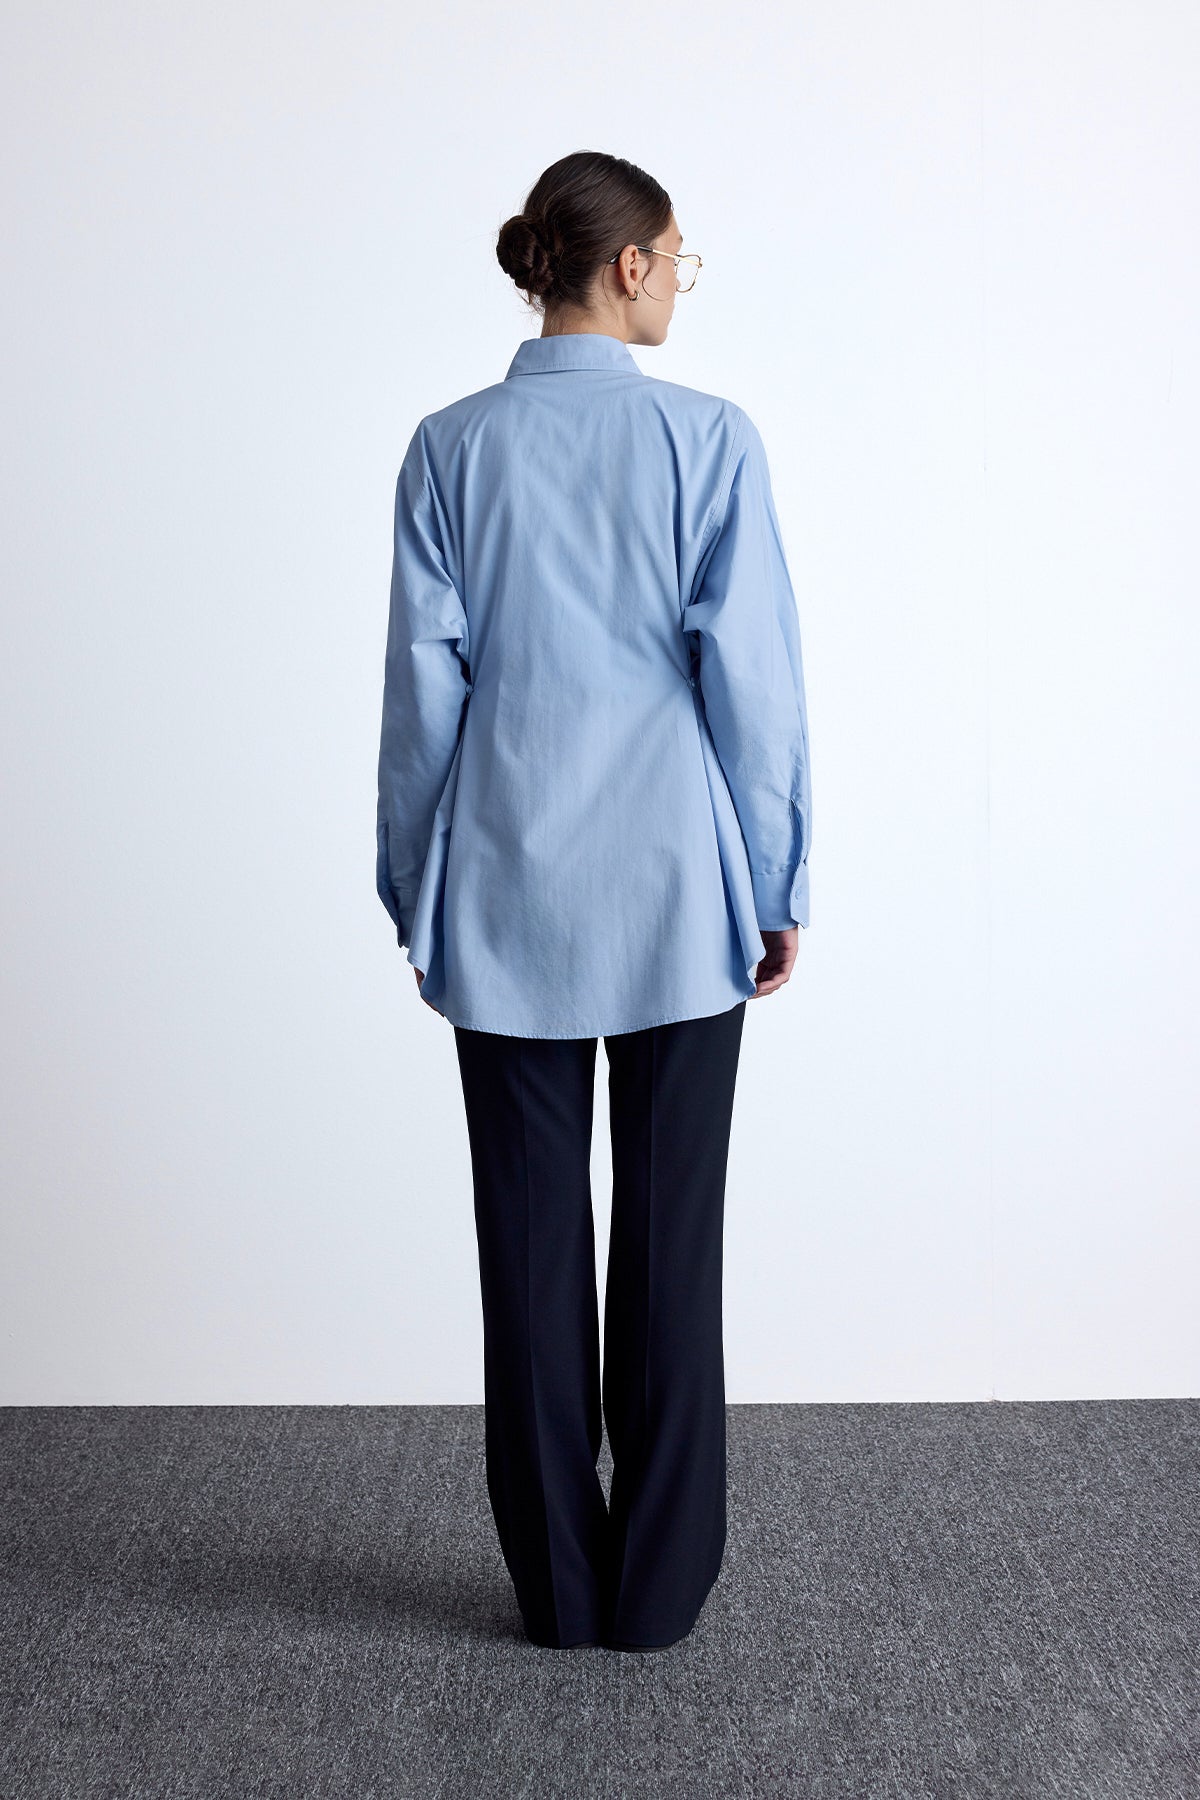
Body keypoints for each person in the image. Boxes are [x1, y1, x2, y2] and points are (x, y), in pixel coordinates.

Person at [375, 151, 812, 1653]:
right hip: (682, 898)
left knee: (529, 1255)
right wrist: (778, 879)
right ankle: (659, 1594)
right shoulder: (710, 440)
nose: (683, 280)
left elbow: (421, 700)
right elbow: (752, 685)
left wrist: (415, 890)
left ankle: (560, 1592)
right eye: (678, 256)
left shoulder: (447, 448)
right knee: (672, 1250)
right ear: (627, 266)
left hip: (506, 896)